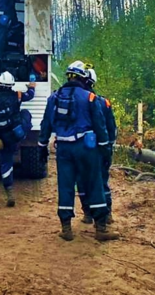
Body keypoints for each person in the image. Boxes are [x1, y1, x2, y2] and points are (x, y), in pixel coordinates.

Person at [38, 61, 119, 242]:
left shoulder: (53, 98)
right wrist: (105, 149)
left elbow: (46, 124)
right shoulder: (90, 98)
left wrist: (42, 146)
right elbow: (100, 126)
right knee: (94, 184)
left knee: (65, 185)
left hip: (63, 149)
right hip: (86, 148)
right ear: (83, 78)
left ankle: (66, 229)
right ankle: (101, 229)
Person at [0, 72, 36, 207]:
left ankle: (9, 191)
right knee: (25, 113)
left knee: (6, 162)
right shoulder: (17, 95)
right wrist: (32, 86)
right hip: (15, 134)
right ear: (12, 85)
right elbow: (30, 95)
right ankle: (24, 134)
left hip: (1, 136)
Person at [78, 68, 118, 225]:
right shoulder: (103, 102)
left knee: (82, 181)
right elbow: (111, 128)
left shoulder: (76, 101)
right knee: (101, 181)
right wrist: (109, 147)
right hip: (100, 149)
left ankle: (88, 213)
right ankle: (106, 214)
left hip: (82, 148)